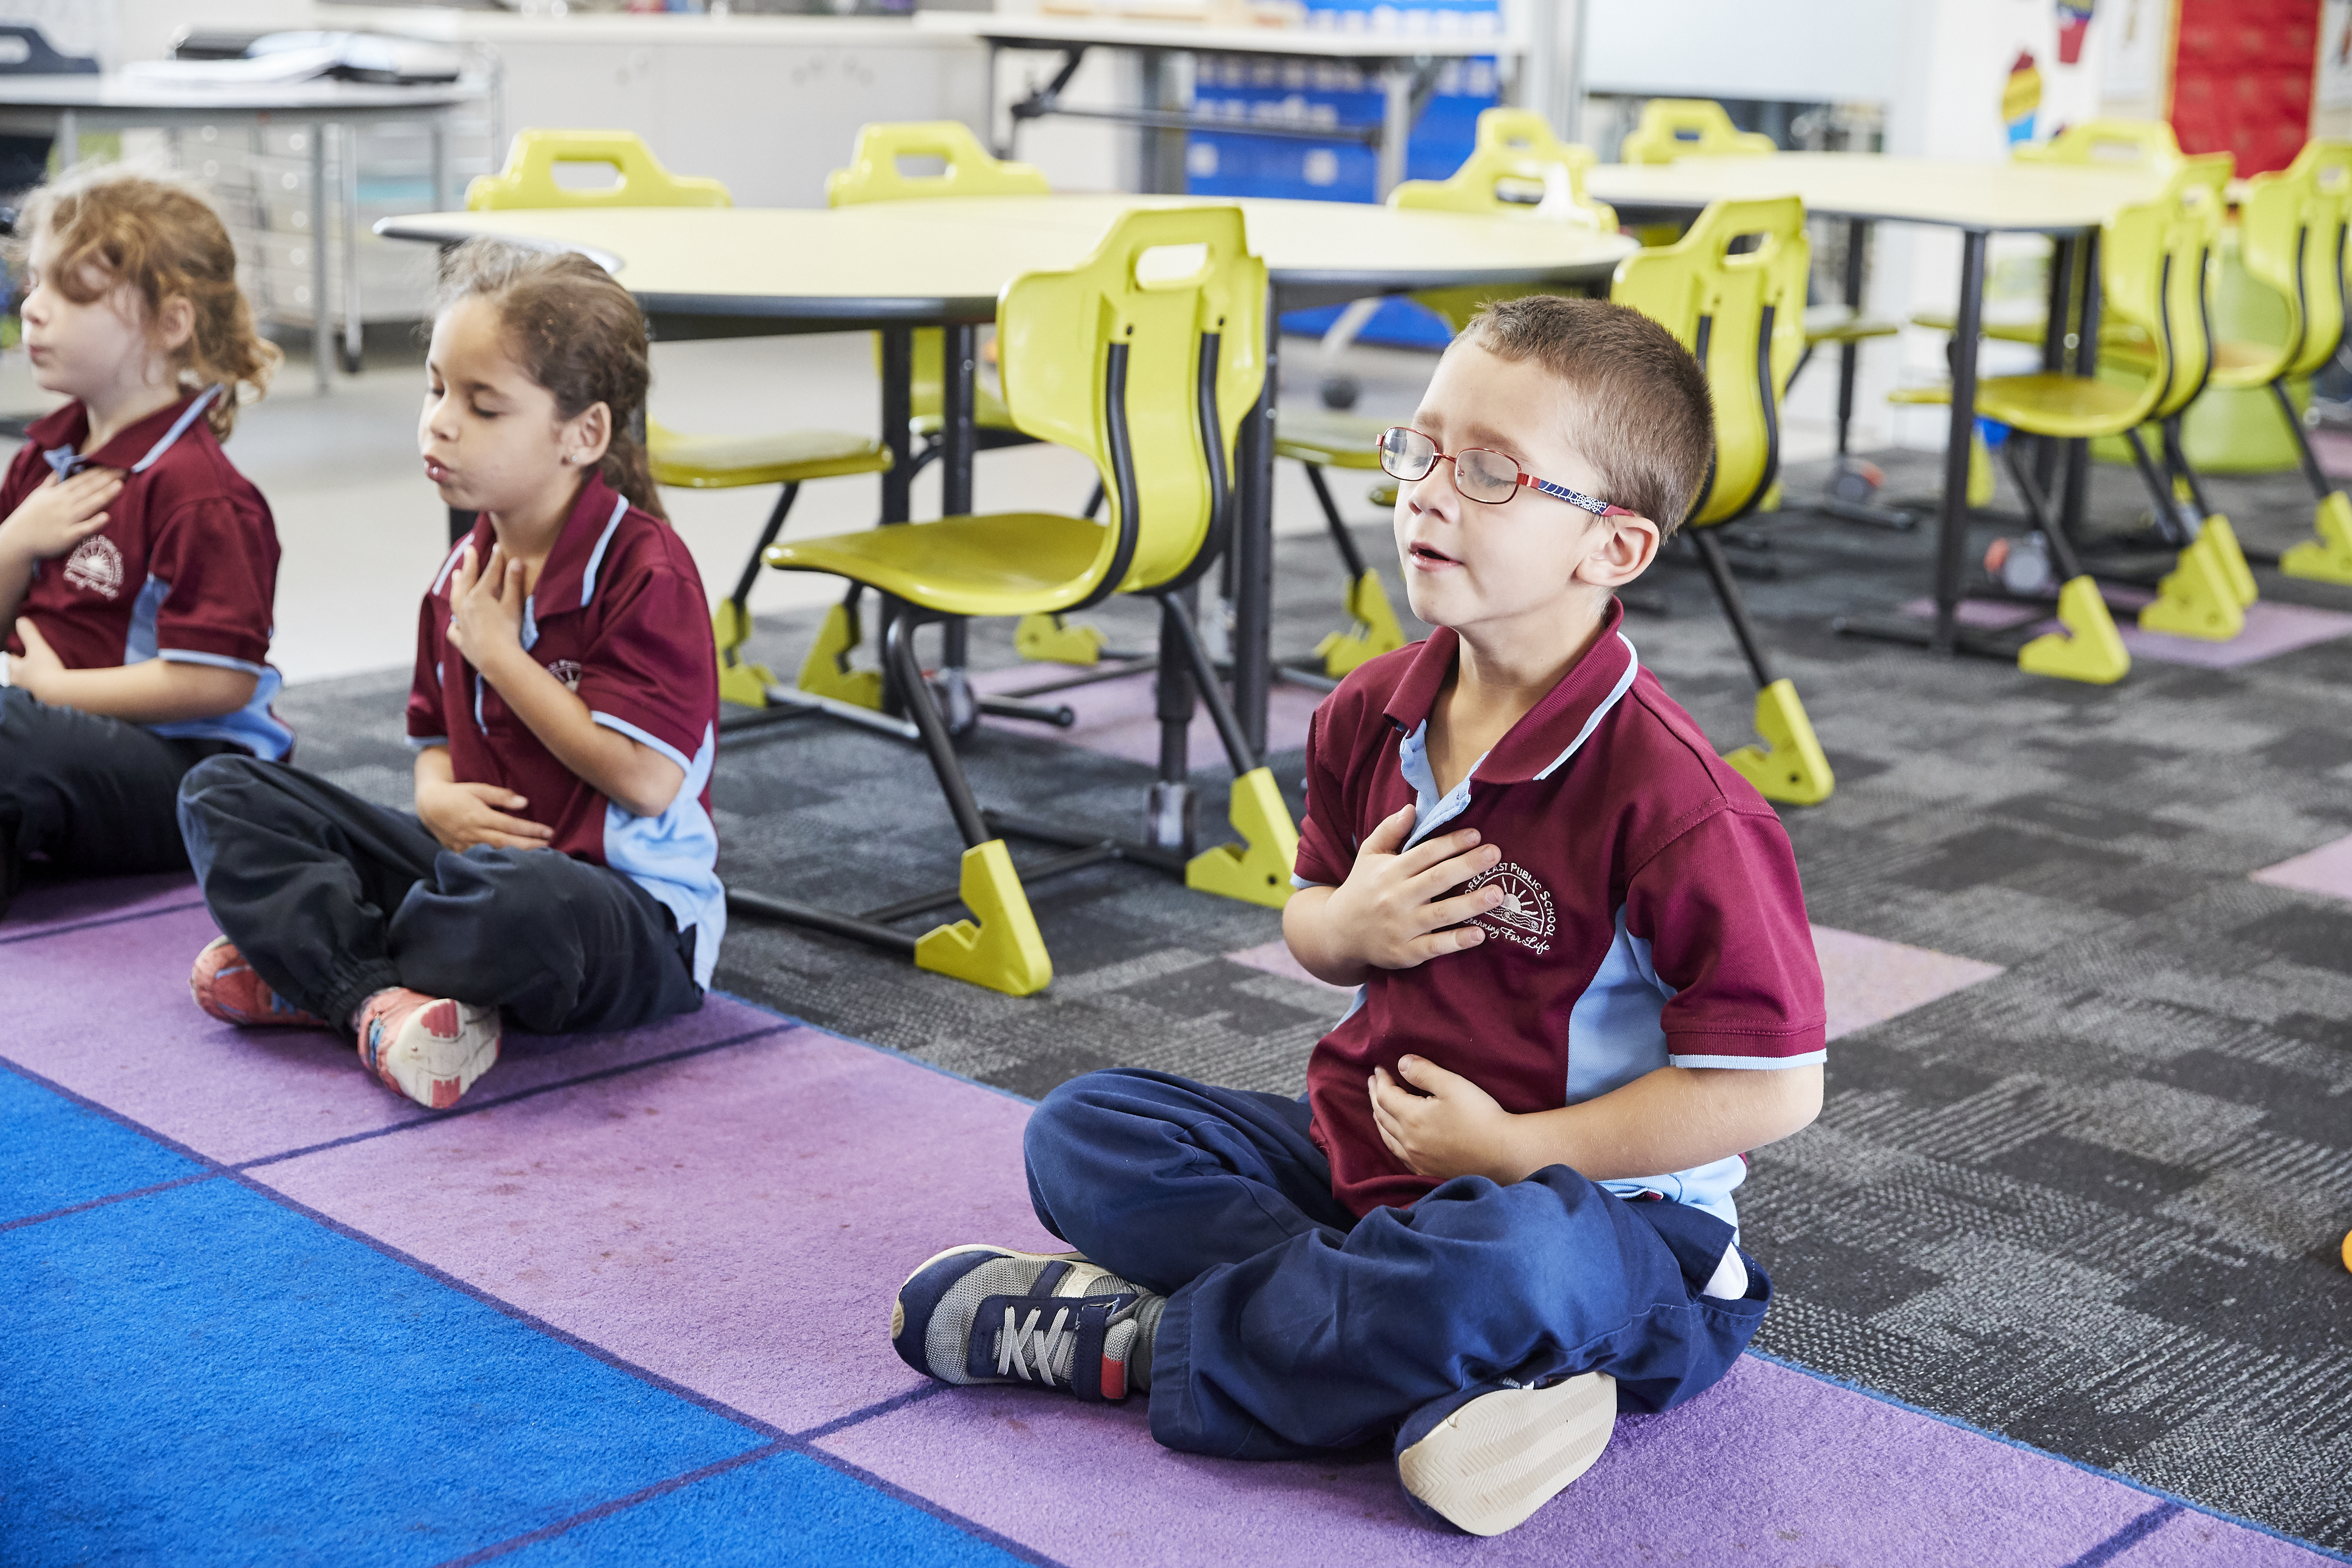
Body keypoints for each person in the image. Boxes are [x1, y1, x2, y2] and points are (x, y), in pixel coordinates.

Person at [888, 297, 1826, 1536]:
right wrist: (1352, 925)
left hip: (1611, 1228)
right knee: (1086, 1130)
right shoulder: (1369, 711)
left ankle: (1142, 1345)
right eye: (1423, 446)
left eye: (1491, 470)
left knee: (1511, 1265)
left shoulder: (1679, 801)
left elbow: (1774, 1089)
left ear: (1613, 549)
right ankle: (1430, 1363)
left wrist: (1513, 1148)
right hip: (1370, 1171)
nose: (1430, 491)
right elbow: (1307, 922)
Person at [176, 240, 722, 1110]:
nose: (438, 421)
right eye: (436, 388)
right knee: (221, 792)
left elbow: (650, 780)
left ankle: (317, 962)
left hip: (624, 914)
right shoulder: (459, 578)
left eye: (484, 405)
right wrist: (434, 799)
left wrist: (501, 653)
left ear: (583, 432)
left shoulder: (644, 572)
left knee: (524, 906)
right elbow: (433, 744)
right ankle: (376, 1000)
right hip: (465, 867)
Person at [0, 168, 285, 919]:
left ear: (170, 324)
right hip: (69, 742)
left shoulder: (200, 492)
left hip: (194, 771)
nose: (33, 311)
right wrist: (12, 543)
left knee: (13, 735)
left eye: (70, 294)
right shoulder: (43, 462)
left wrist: (58, 694)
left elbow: (219, 681)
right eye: (33, 285)